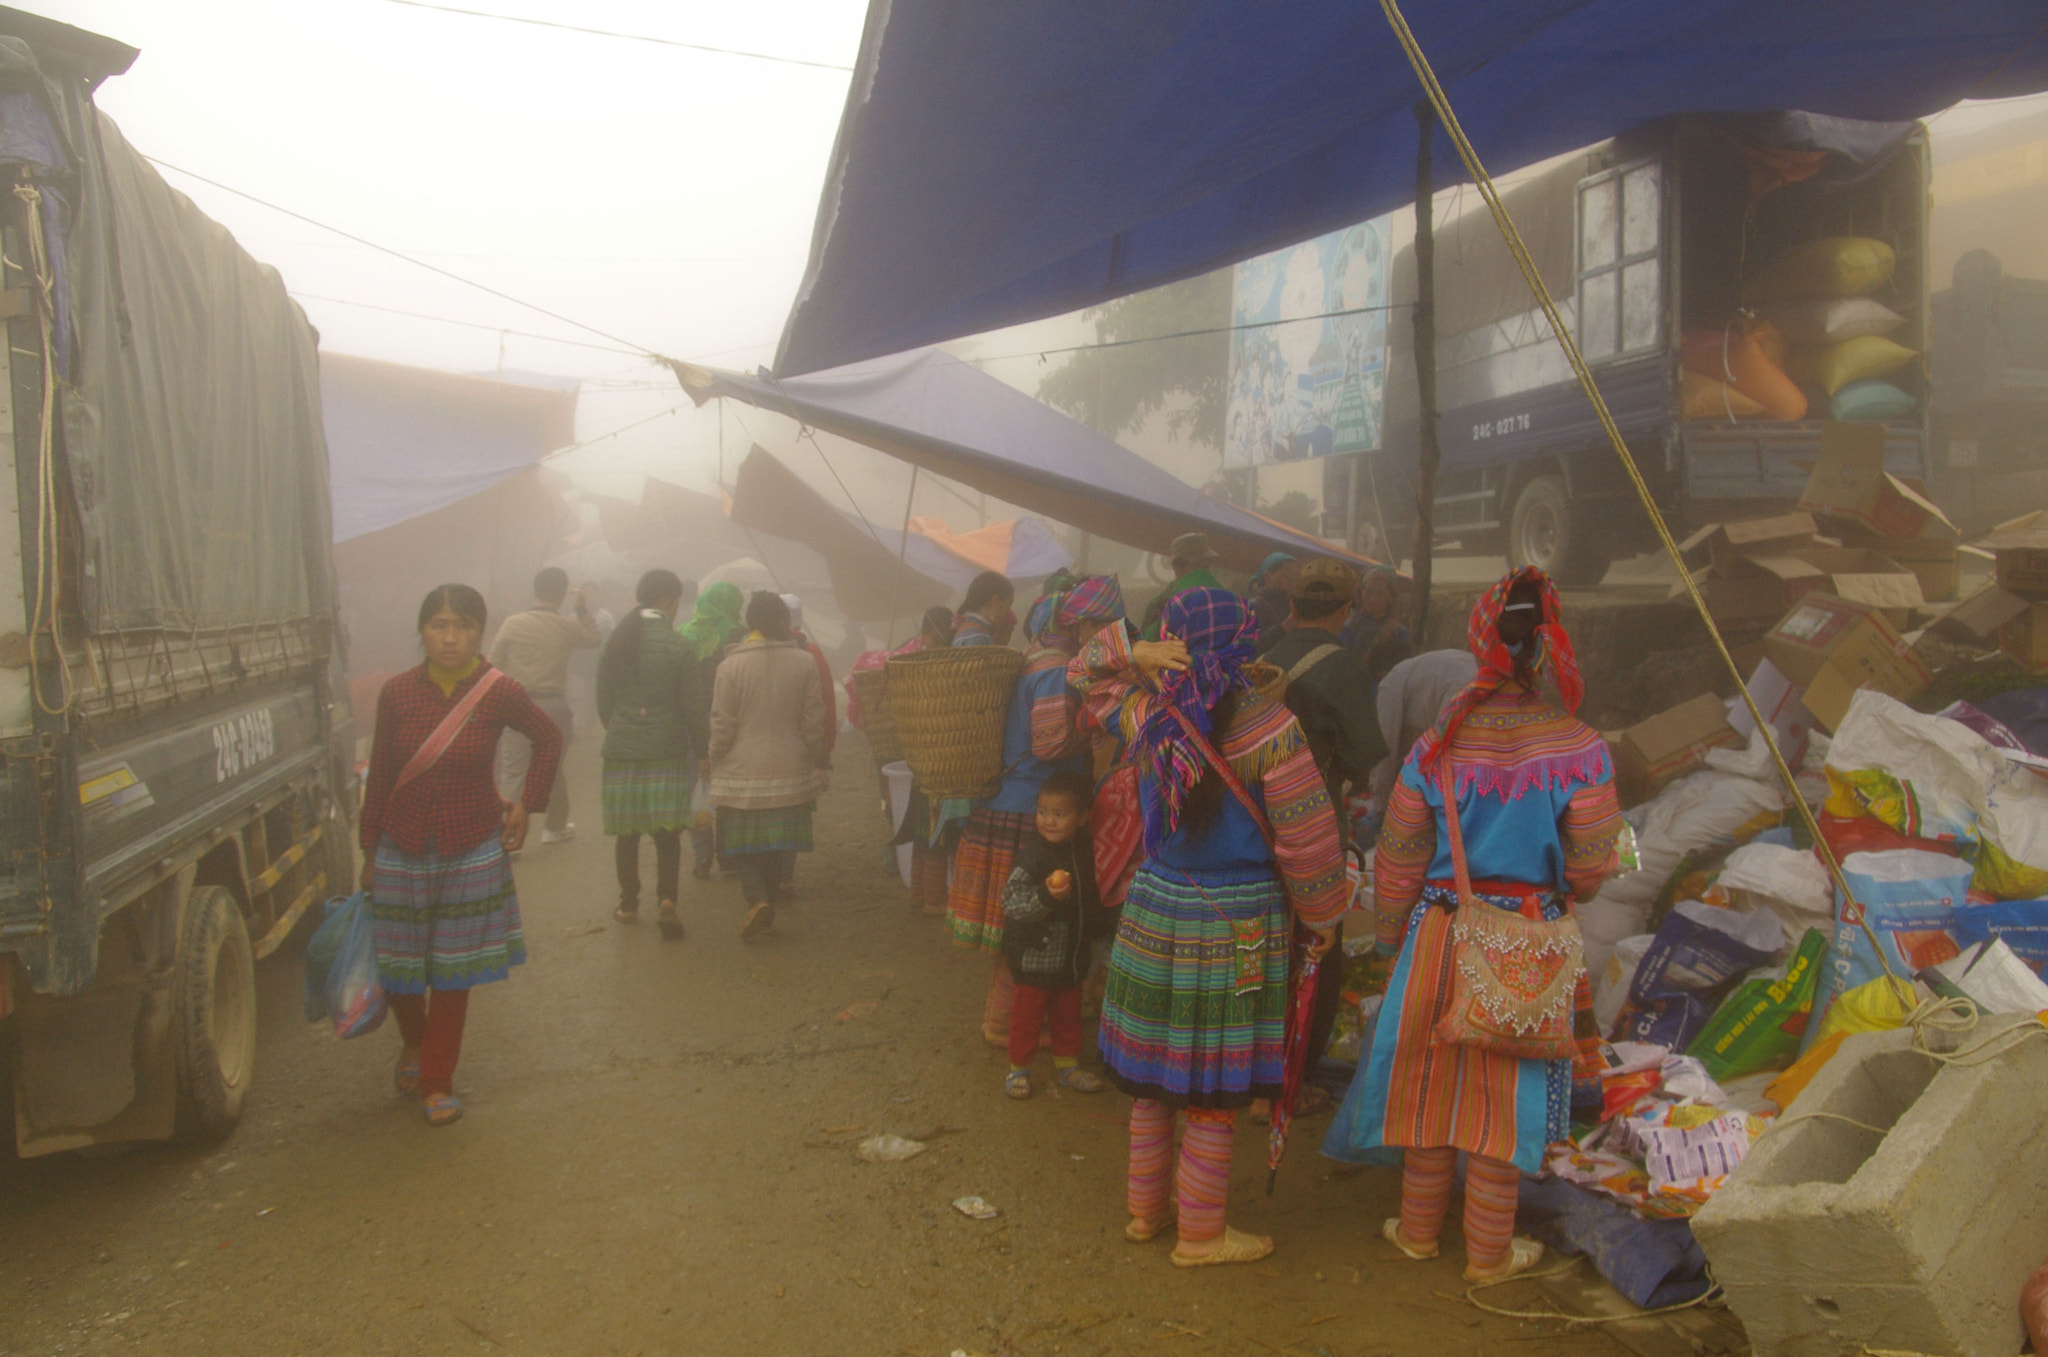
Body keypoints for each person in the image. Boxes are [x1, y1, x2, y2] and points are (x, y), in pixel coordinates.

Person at [1339, 568, 1623, 1282]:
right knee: (1505, 1099)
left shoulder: (1434, 747)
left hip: (1440, 930)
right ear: (1546, 645)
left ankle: (1417, 1229)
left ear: (1478, 639)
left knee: (1431, 1085)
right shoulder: (1581, 746)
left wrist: (1388, 940)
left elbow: (1398, 856)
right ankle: (1490, 1253)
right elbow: (1592, 868)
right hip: (1528, 936)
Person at [1071, 588, 1346, 1267]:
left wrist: (1130, 652)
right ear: (1244, 639)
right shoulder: (1271, 727)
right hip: (1237, 923)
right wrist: (1324, 918)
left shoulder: (1147, 715)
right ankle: (1200, 1231)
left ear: (1174, 639)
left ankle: (1146, 1212)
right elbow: (1308, 840)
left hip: (1155, 905)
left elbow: (1081, 672)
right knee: (1214, 1085)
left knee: (1157, 1076)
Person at [358, 584, 563, 1126]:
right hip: (400, 843)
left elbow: (548, 737)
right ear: (422, 631)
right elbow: (380, 773)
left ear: (480, 632)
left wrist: (528, 805)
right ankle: (413, 1041)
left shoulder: (498, 690)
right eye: (439, 626)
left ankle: (436, 1079)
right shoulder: (398, 693)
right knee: (401, 966)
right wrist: (367, 849)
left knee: (452, 971)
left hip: (470, 844)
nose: (450, 638)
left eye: (464, 626)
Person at [950, 575, 1125, 1044]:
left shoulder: (1038, 656)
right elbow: (1048, 744)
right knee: (1031, 923)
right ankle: (1007, 1024)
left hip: (1011, 801)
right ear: (1081, 624)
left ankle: (1004, 1018)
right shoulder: (1053, 665)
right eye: (1101, 625)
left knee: (1022, 928)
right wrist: (1095, 725)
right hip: (1032, 809)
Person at [1253, 557, 1389, 1112]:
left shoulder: (1258, 658)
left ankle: (1252, 1081)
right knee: (1316, 948)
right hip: (1312, 826)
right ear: (1345, 608)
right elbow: (1363, 761)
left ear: (1291, 605)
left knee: (1260, 947)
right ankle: (1294, 1082)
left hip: (1253, 822)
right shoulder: (1347, 669)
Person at [706, 591, 830, 938]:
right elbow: (813, 721)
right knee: (780, 844)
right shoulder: (803, 662)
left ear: (750, 622)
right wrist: (815, 755)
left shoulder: (729, 666)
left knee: (743, 844)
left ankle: (757, 899)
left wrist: (715, 756)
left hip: (740, 771)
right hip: (790, 769)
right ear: (783, 621)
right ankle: (768, 900)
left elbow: (722, 723)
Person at [597, 570, 709, 940]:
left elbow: (603, 698)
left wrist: (619, 727)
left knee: (627, 832)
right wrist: (704, 750)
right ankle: (667, 900)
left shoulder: (618, 639)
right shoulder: (679, 646)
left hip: (622, 750)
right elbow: (693, 707)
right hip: (665, 749)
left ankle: (628, 904)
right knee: (666, 833)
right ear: (670, 601)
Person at [1000, 769, 1111, 1099]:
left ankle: (1068, 1067)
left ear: (1081, 818)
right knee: (1026, 1018)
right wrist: (1045, 897)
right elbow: (1011, 902)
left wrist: (1098, 932)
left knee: (1067, 1016)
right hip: (1035, 956)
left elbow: (1092, 897)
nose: (1048, 821)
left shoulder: (1085, 852)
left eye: (1059, 814)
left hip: (1072, 957)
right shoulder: (1033, 856)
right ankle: (1018, 1068)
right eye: (1043, 812)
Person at [845, 606, 955, 914]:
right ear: (936, 634)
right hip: (932, 758)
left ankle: (918, 892)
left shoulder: (904, 659)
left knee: (918, 828)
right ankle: (935, 899)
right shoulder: (927, 666)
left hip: (909, 756)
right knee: (934, 833)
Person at [487, 567, 600, 844]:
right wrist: (582, 609)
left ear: (534, 592)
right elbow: (594, 639)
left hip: (516, 704)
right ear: (563, 595)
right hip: (554, 705)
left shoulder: (512, 623)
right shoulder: (567, 626)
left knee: (513, 771)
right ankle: (554, 827)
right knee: (553, 768)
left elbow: (492, 665)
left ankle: (507, 833)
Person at [680, 581, 749, 879]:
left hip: (691, 723)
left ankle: (701, 857)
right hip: (732, 721)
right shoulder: (741, 635)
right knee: (729, 789)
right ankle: (728, 856)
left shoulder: (684, 635)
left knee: (698, 784)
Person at [1368, 648, 1481, 809]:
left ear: (1380, 673)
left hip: (1461, 690)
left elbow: (1384, 749)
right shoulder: (1422, 669)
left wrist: (1380, 805)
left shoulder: (1390, 682)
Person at [1139, 532, 1226, 641]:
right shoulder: (1157, 606)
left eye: (1207, 564)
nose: (1204, 572)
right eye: (1198, 566)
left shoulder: (1223, 596)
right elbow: (1147, 646)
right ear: (1178, 566)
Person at [1339, 569, 1409, 660]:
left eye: (1379, 594)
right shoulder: (1349, 627)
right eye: (1368, 592)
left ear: (1390, 598)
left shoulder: (1399, 633)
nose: (1373, 599)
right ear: (1361, 593)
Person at [1246, 552, 1298, 650]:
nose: (1292, 583)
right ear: (1268, 576)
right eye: (1287, 577)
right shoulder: (1252, 607)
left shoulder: (1291, 609)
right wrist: (1283, 628)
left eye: (1295, 579)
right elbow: (1247, 647)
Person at [952, 571, 1017, 648]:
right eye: (1008, 606)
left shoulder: (968, 630)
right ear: (994, 600)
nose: (1008, 613)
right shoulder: (979, 638)